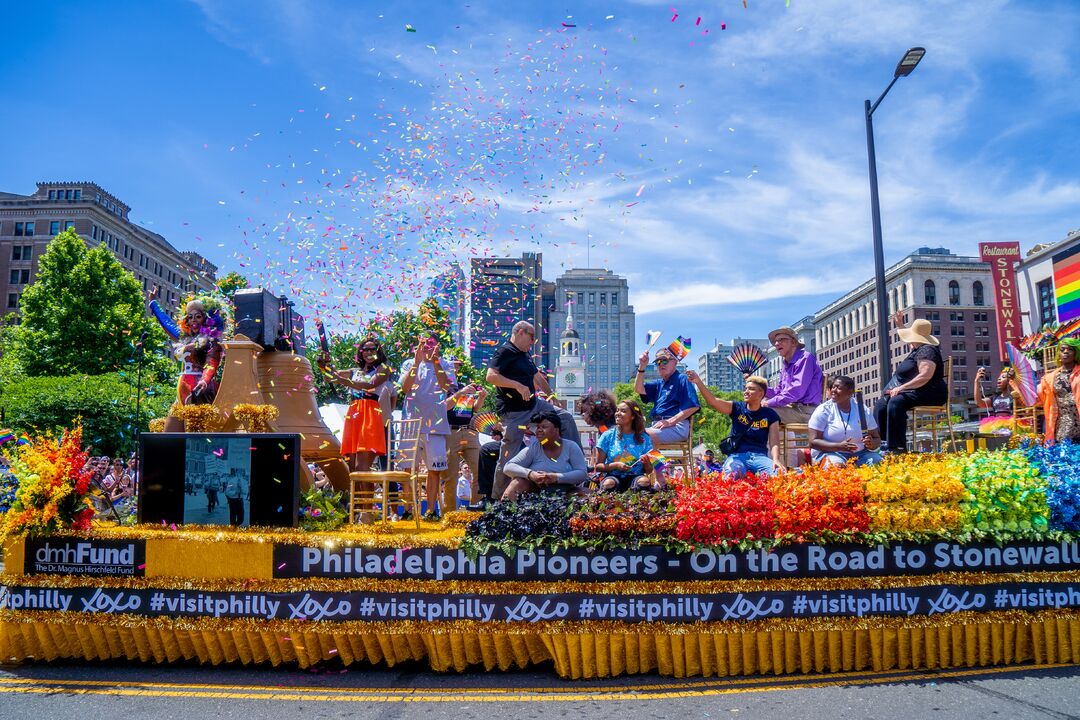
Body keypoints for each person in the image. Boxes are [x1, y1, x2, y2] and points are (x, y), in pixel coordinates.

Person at [486, 321, 580, 498]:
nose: (533, 342)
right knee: (507, 456)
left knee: (565, 417)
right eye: (532, 337)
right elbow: (490, 377)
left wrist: (553, 398)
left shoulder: (525, 354)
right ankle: (496, 498)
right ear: (521, 332)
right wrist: (516, 386)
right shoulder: (504, 351)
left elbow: (538, 377)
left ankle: (577, 465)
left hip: (534, 405)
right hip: (514, 413)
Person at [147, 285, 231, 424]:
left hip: (197, 390)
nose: (193, 320)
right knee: (170, 439)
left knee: (197, 438)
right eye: (190, 317)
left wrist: (204, 380)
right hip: (181, 389)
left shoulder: (211, 341)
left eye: (198, 316)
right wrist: (153, 303)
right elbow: (167, 323)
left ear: (207, 320)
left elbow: (211, 363)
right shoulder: (184, 338)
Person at [874, 313, 948, 453]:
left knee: (896, 402)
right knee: (881, 405)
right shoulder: (917, 349)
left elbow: (925, 376)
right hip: (915, 391)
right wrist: (900, 325)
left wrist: (902, 387)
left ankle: (897, 447)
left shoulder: (928, 350)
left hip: (930, 392)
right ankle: (881, 443)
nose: (909, 340)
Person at [687, 371, 783, 478]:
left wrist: (776, 460)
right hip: (737, 456)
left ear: (761, 393)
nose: (746, 392)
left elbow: (774, 442)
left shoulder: (770, 414)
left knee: (778, 474)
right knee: (731, 475)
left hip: (760, 457)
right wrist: (698, 382)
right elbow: (713, 401)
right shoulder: (737, 407)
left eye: (751, 389)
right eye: (745, 388)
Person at [400, 336, 456, 520]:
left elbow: (447, 387)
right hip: (411, 425)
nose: (427, 347)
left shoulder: (445, 364)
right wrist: (417, 363)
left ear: (437, 346)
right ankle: (409, 511)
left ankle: (431, 511)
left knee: (434, 470)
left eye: (431, 343)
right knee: (408, 470)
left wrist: (437, 362)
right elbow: (405, 387)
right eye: (423, 344)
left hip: (436, 426)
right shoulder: (409, 363)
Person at [319, 338, 393, 471]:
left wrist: (342, 380)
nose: (369, 352)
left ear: (378, 351)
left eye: (372, 349)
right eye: (365, 349)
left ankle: (368, 492)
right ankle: (358, 492)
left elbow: (371, 385)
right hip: (354, 413)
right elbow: (329, 377)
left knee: (362, 467)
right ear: (361, 352)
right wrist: (323, 364)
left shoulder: (384, 368)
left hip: (370, 413)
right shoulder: (354, 371)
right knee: (352, 467)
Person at [502, 411, 589, 501]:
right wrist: (530, 474)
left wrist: (555, 477)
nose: (539, 430)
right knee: (517, 482)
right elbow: (508, 467)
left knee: (587, 494)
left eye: (544, 427)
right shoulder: (534, 448)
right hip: (536, 492)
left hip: (566, 491)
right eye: (538, 427)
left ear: (556, 430)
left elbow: (582, 473)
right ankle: (504, 511)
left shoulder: (571, 446)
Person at [808, 376, 883, 467]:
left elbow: (876, 439)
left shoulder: (862, 409)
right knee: (836, 466)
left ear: (850, 392)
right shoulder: (823, 410)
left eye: (838, 388)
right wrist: (838, 446)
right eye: (833, 387)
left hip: (861, 454)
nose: (834, 390)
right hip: (831, 453)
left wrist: (872, 443)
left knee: (879, 463)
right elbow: (813, 442)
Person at [443, 361, 487, 509]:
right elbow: (445, 407)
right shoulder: (441, 387)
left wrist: (481, 398)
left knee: (481, 471)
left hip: (470, 431)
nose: (455, 369)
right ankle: (449, 513)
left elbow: (472, 410)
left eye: (457, 366)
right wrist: (460, 393)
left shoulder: (464, 385)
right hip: (451, 432)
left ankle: (475, 509)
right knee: (451, 475)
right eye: (452, 366)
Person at [634, 348, 700, 444]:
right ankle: (650, 458)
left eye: (664, 360)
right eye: (658, 362)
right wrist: (642, 366)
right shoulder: (659, 383)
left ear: (675, 362)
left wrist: (669, 421)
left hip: (677, 426)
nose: (661, 364)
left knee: (642, 436)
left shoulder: (683, 379)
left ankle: (655, 459)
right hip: (657, 426)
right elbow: (638, 389)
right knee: (630, 433)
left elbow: (693, 407)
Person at [762, 326, 824, 424]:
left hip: (806, 412)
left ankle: (772, 440)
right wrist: (759, 388)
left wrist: (768, 403)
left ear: (793, 342)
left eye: (781, 339)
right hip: (794, 410)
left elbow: (797, 391)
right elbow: (780, 391)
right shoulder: (786, 365)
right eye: (775, 342)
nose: (777, 344)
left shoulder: (805, 358)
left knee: (762, 412)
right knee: (754, 407)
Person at [594, 400, 659, 491]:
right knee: (609, 484)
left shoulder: (645, 438)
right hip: (612, 477)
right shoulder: (607, 435)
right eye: (617, 410)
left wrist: (647, 463)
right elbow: (598, 466)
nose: (618, 413)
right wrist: (615, 465)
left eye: (623, 411)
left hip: (636, 477)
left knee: (644, 482)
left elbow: (649, 470)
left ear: (633, 416)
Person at [1036, 337, 1080, 445]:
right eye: (1062, 349)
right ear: (1058, 354)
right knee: (1065, 458)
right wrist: (1017, 383)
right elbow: (1037, 399)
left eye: (1070, 349)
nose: (1066, 352)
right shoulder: (1050, 378)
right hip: (1063, 426)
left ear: (1075, 353)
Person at [476, 428, 503, 505]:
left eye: (495, 434)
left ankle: (489, 494)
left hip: (519, 441)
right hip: (514, 440)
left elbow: (520, 427)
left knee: (485, 449)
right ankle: (492, 493)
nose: (492, 437)